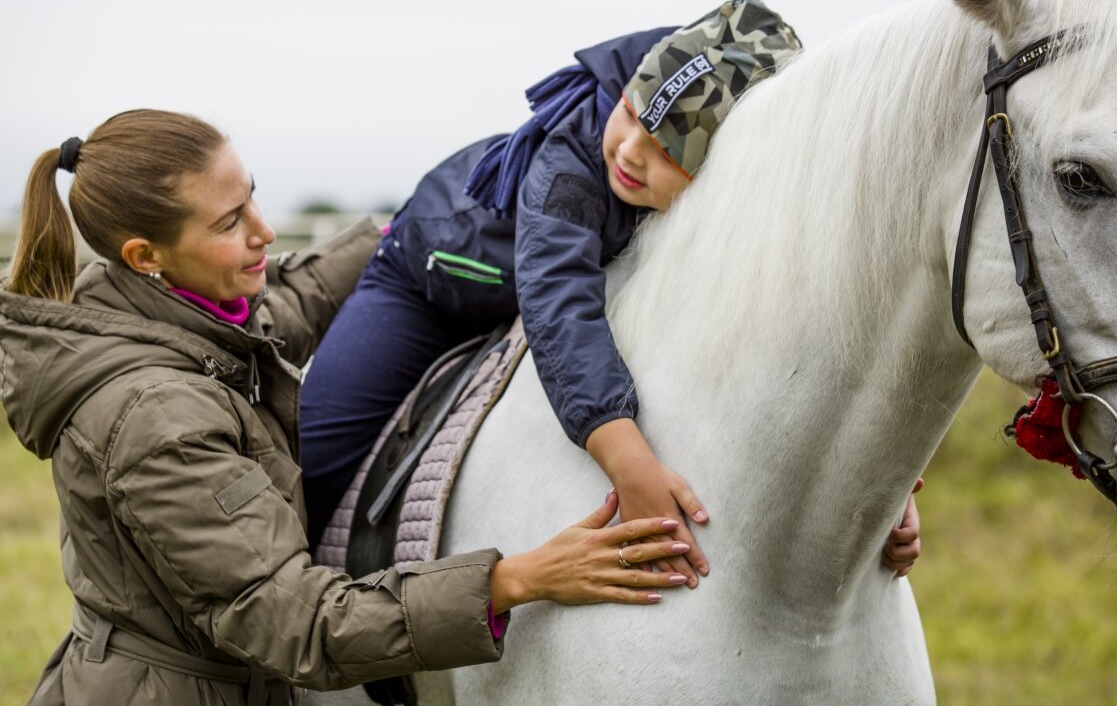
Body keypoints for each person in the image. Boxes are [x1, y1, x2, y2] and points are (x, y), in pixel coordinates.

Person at [0, 109, 694, 706]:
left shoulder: (180, 313)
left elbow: (292, 297)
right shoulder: (156, 418)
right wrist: (517, 578)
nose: (264, 232)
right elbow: (295, 621)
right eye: (230, 222)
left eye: (253, 197)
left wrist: (425, 228)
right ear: (145, 255)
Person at [299, 0, 924, 585]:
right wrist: (628, 462)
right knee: (315, 457)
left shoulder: (735, 200)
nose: (626, 152)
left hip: (516, 290)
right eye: (629, 113)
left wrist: (880, 490)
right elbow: (557, 295)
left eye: (665, 151)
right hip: (426, 285)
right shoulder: (574, 157)